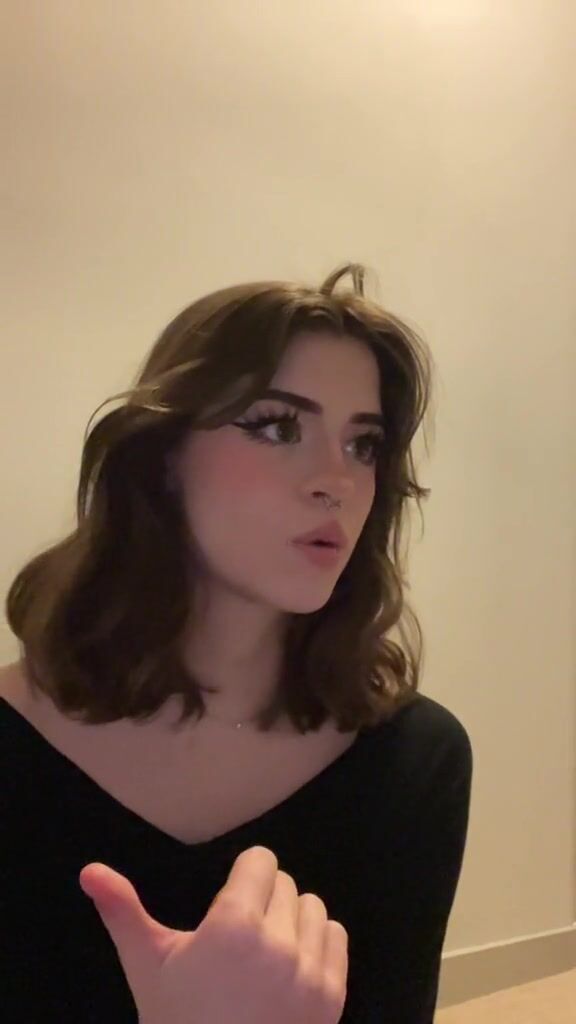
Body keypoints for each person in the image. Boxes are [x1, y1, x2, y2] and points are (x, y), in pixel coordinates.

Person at [0, 262, 473, 1022]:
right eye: (278, 426)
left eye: (364, 444)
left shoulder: (416, 760)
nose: (337, 481)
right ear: (163, 457)